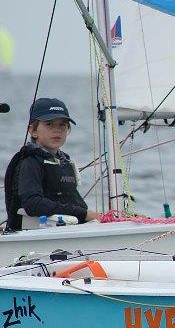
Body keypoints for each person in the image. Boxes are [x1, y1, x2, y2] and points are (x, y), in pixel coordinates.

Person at [3, 98, 102, 231]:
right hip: (34, 236)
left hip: (65, 230)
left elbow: (75, 203)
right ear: (33, 131)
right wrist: (83, 214)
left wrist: (99, 218)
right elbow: (32, 204)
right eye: (49, 124)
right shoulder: (30, 162)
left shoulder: (65, 162)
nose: (57, 130)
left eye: (62, 125)